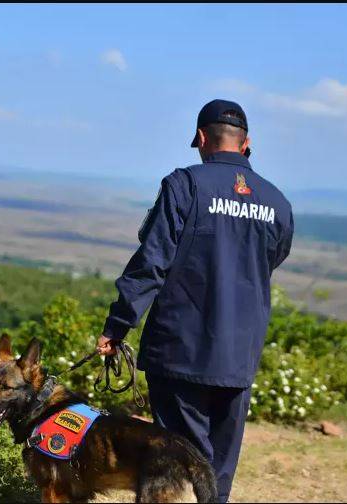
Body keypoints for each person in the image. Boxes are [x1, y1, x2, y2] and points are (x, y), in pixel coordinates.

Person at [96, 99, 293, 503]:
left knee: (183, 460)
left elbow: (151, 263)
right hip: (239, 355)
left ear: (202, 138)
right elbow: (271, 259)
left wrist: (118, 325)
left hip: (180, 351)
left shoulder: (185, 185)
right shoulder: (277, 202)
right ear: (246, 143)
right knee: (219, 466)